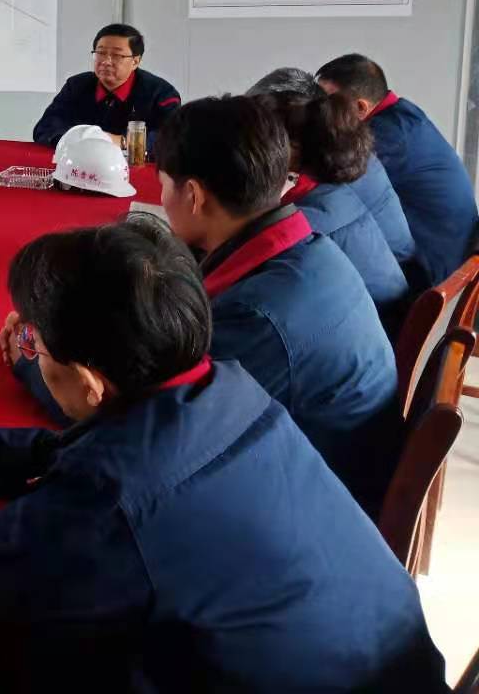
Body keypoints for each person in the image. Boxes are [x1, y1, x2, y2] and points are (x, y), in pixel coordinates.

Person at [0, 219, 444, 694]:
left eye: (34, 345)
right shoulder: (223, 388)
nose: (30, 352)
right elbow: (66, 450)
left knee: (18, 634)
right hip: (377, 664)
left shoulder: (114, 498)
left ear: (89, 381)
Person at [153, 96, 399, 513]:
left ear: (193, 195)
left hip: (311, 505)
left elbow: (160, 428)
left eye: (162, 185)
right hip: (334, 460)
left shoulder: (255, 315)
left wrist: (51, 363)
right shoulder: (309, 248)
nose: (161, 199)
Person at [248, 70, 410, 326]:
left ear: (288, 143)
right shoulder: (342, 166)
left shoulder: (307, 216)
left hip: (378, 323)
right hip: (391, 308)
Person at [317, 53, 478, 288]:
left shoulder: (388, 135)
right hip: (450, 258)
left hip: (429, 271)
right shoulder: (403, 116)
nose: (320, 112)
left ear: (361, 107)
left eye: (327, 104)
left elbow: (327, 181)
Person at [32, 24, 181, 148]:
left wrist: (123, 142)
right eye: (101, 53)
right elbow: (45, 127)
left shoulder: (161, 93)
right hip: (80, 163)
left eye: (117, 55)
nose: (106, 61)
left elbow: (172, 139)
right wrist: (75, 139)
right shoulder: (76, 86)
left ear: (135, 61)